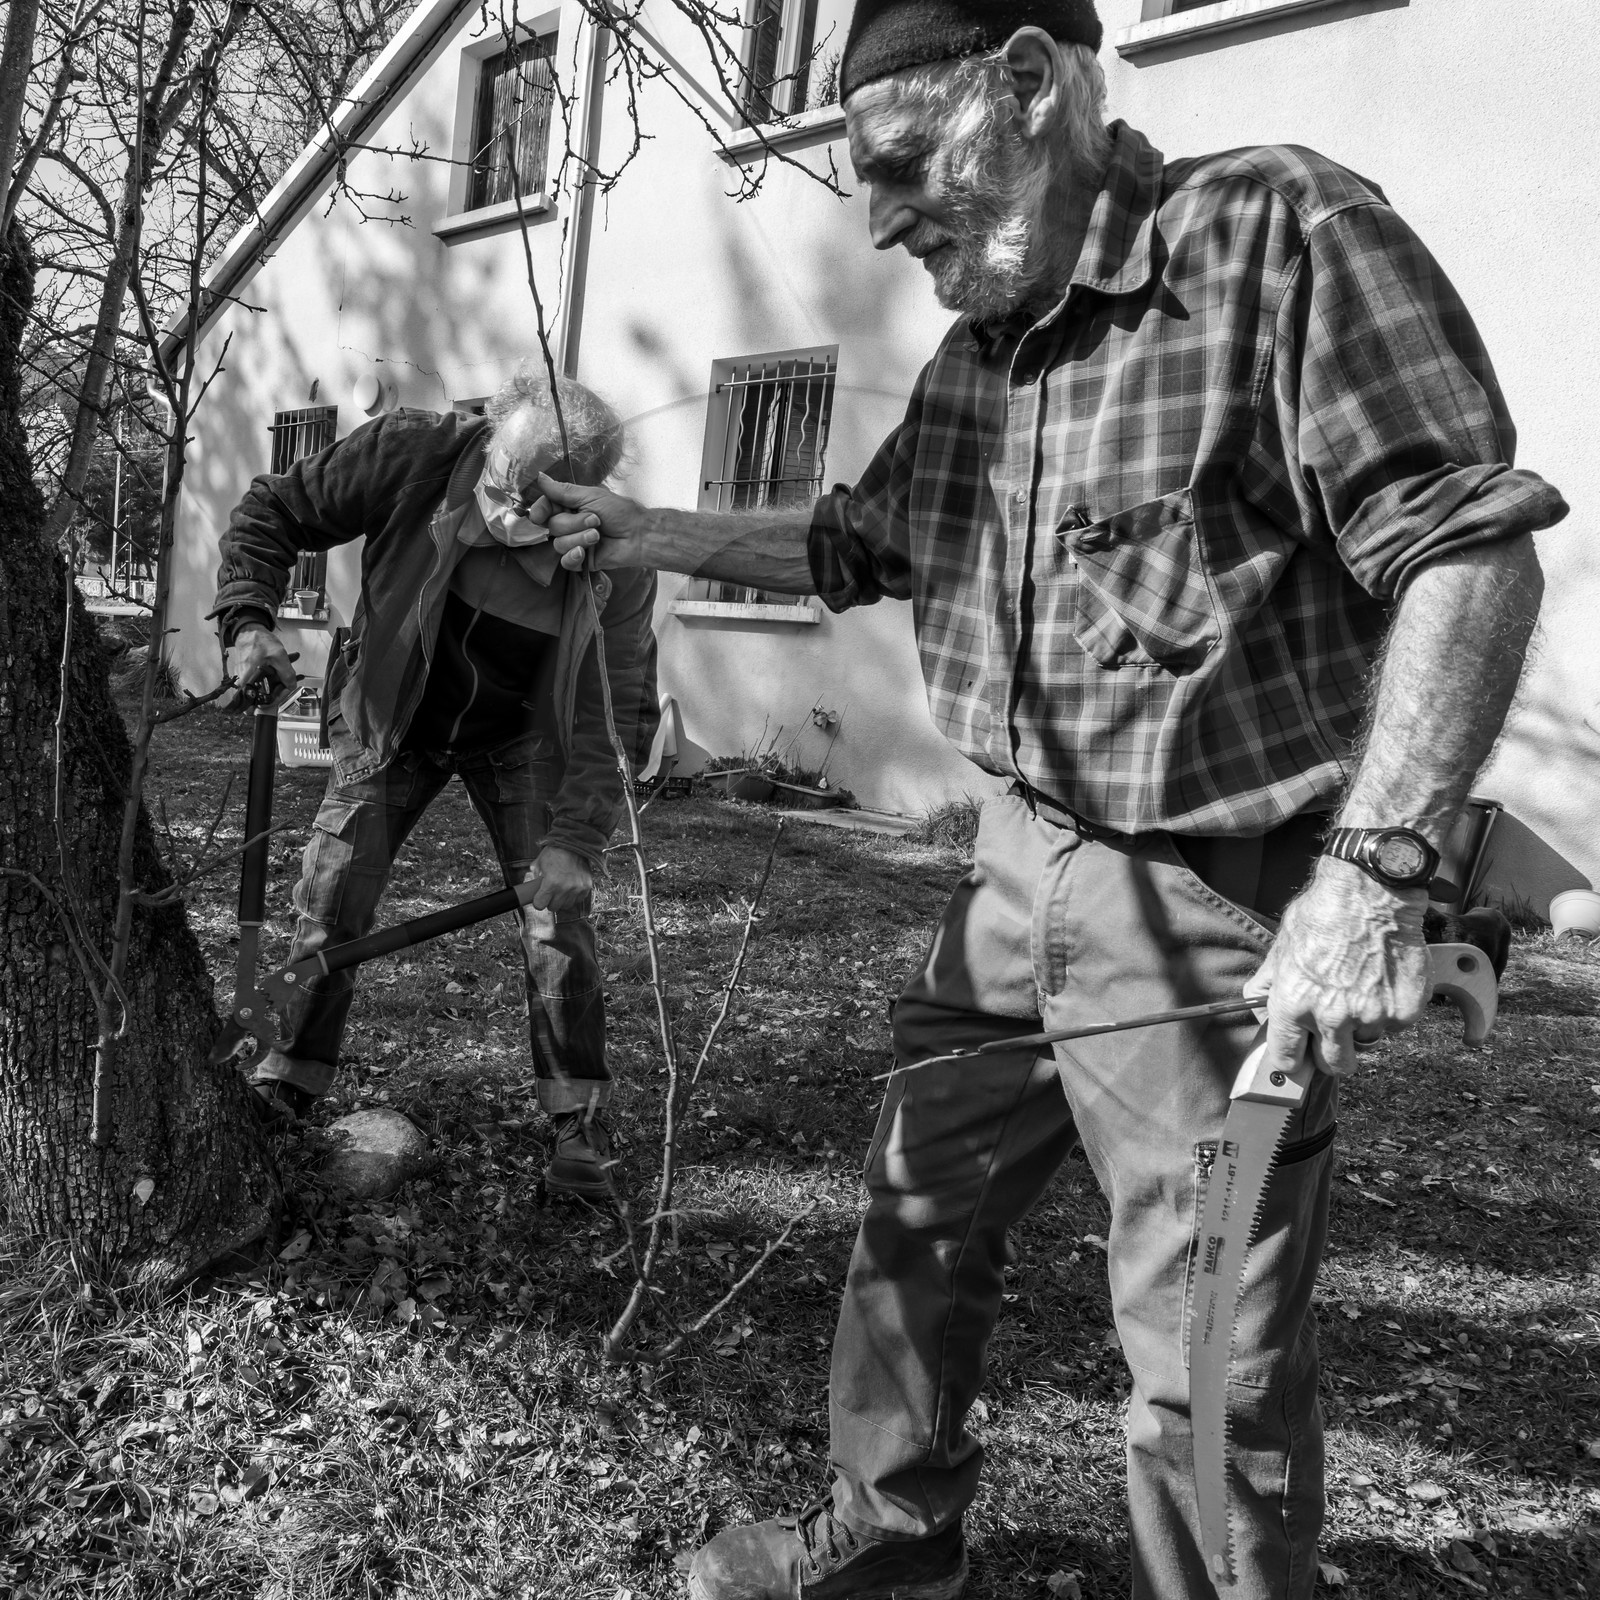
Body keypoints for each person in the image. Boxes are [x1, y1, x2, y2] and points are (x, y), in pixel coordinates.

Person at [533, 1, 1568, 1594]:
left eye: (896, 166)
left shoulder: (1273, 234)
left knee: (1205, 1340)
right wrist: (644, 532)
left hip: (1218, 919)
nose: (880, 222)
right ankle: (888, 1545)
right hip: (1012, 871)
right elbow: (844, 548)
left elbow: (1467, 545)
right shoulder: (973, 367)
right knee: (914, 1215)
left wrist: (1371, 877)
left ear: (1028, 84)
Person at [212, 367, 658, 1198]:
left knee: (557, 922)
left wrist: (575, 843)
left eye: (549, 503)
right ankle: (287, 1081)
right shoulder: (411, 453)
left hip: (523, 739)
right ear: (489, 432)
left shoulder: (611, 561)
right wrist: (248, 620)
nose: (520, 516)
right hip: (393, 717)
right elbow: (273, 508)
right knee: (333, 898)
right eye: (509, 486)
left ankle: (578, 1125)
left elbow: (609, 711)